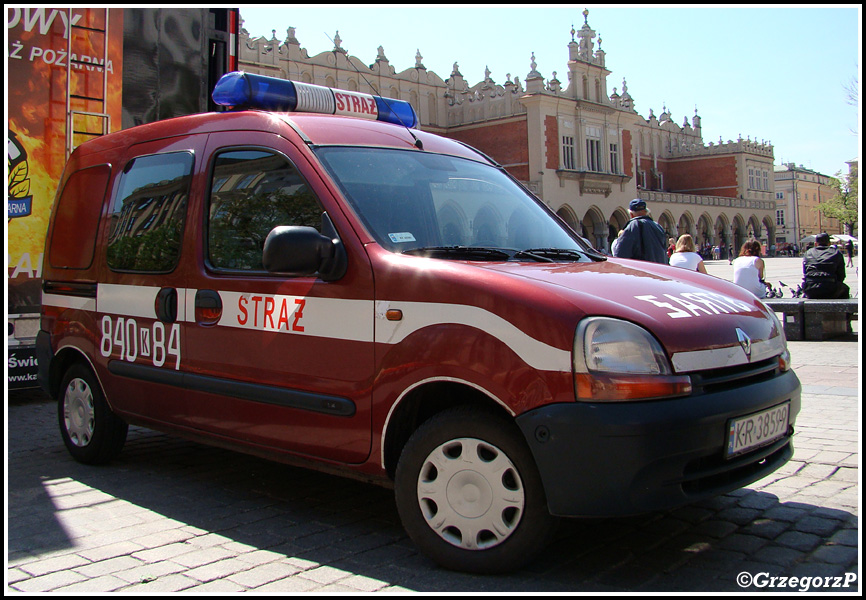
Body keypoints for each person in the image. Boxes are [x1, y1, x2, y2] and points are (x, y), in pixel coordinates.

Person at [611, 199, 668, 264]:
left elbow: (621, 253)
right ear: (646, 212)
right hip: (658, 268)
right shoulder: (658, 226)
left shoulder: (634, 225)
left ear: (631, 214)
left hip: (642, 269)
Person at [802, 232, 849, 299]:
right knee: (845, 289)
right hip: (830, 287)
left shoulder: (808, 253)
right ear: (829, 243)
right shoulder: (836, 252)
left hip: (810, 288)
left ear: (816, 244)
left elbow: (805, 272)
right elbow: (841, 275)